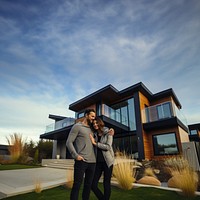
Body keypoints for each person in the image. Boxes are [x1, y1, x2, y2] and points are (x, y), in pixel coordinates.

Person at [66, 108, 96, 200]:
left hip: (92, 162)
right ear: (86, 115)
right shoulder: (77, 126)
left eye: (94, 117)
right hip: (81, 161)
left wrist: (110, 131)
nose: (93, 119)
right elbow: (69, 142)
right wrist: (76, 156)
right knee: (77, 186)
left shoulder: (92, 129)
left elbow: (102, 129)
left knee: (88, 186)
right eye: (92, 116)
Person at [90, 117, 115, 200]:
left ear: (100, 123)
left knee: (106, 184)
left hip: (107, 162)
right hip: (98, 163)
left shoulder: (108, 132)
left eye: (96, 123)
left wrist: (95, 143)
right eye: (93, 124)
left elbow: (108, 147)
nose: (95, 125)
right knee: (93, 185)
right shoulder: (95, 134)